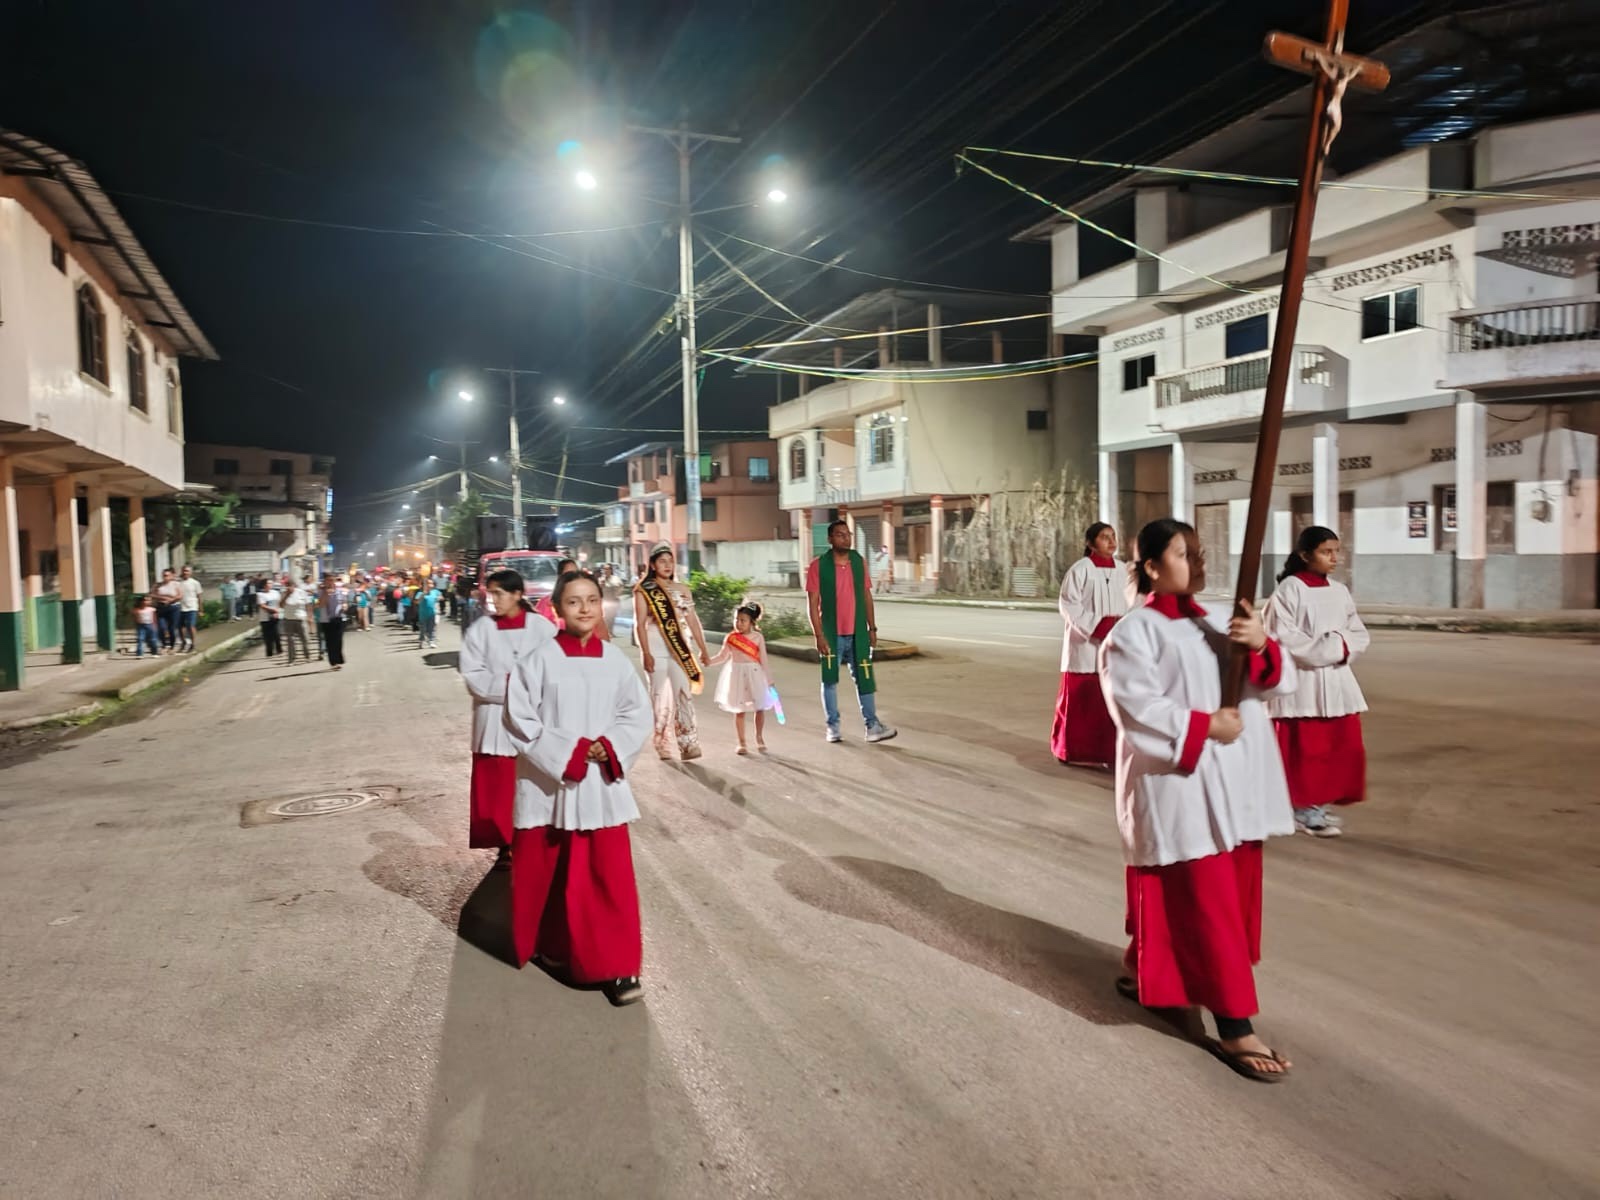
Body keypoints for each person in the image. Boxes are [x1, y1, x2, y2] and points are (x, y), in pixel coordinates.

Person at [1100, 517, 1297, 1082]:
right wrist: (1205, 725)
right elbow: (1136, 708)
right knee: (1207, 902)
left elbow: (1268, 682)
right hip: (1180, 784)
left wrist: (1260, 644)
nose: (1198, 562)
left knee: (1204, 897)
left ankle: (1150, 975)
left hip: (1234, 786)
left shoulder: (1218, 621)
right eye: (1184, 554)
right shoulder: (1132, 633)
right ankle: (1236, 1026)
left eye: (1200, 553)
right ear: (1153, 568)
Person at [504, 571, 653, 1005]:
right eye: (574, 601)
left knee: (607, 881)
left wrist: (609, 747)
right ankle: (552, 949)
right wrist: (571, 752)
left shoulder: (614, 660)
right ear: (556, 609)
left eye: (592, 600)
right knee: (551, 877)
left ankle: (617, 967)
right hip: (552, 785)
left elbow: (636, 714)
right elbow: (519, 719)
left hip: (601, 788)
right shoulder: (537, 661)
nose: (585, 608)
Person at [1263, 525, 1370, 838]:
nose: (1334, 558)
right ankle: (1300, 808)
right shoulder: (1289, 590)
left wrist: (1340, 647)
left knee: (1336, 748)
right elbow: (1283, 638)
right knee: (1305, 751)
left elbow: (1358, 631)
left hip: (1337, 681)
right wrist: (1334, 647)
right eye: (1326, 551)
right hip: (1303, 684)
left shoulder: (1339, 591)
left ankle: (1316, 805)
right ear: (1305, 554)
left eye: (1337, 551)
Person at [459, 568, 553, 868]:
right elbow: (474, 678)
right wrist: (516, 683)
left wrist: (526, 687)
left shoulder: (542, 629)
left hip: (533, 722)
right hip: (494, 723)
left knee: (531, 783)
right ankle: (504, 844)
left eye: (499, 593)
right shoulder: (480, 631)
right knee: (496, 792)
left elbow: (555, 670)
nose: (493, 600)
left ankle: (534, 838)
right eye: (490, 594)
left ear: (517, 594)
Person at [806, 519, 896, 745]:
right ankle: (833, 728)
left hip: (858, 634)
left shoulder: (858, 562)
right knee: (829, 681)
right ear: (830, 539)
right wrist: (819, 635)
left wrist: (872, 628)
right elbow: (812, 603)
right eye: (840, 534)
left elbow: (866, 596)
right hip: (831, 633)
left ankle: (872, 726)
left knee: (865, 678)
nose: (845, 538)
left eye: (848, 534)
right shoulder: (819, 566)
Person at [1051, 522, 1128, 767]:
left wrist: (1123, 627)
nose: (1111, 540)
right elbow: (1068, 604)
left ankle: (1110, 752)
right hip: (1084, 646)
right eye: (1104, 537)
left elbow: (1134, 602)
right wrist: (1097, 626)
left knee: (1111, 701)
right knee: (1082, 701)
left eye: (1113, 536)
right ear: (1090, 543)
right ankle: (1072, 750)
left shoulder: (1124, 570)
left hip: (1116, 643)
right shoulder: (1080, 569)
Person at [633, 544, 709, 761]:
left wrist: (703, 649)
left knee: (683, 693)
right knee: (659, 696)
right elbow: (640, 624)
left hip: (679, 646)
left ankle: (688, 743)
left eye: (670, 561)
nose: (667, 565)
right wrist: (646, 652)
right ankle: (661, 741)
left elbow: (693, 620)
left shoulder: (683, 589)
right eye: (662, 561)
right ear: (653, 565)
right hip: (655, 646)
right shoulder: (645, 589)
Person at [704, 601, 777, 755]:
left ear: (752, 622)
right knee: (739, 709)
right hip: (736, 674)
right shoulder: (731, 638)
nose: (739, 623)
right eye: (736, 620)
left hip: (755, 674)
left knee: (759, 707)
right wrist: (709, 661)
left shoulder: (758, 637)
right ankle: (741, 742)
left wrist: (769, 680)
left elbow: (763, 659)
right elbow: (723, 656)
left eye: (743, 620)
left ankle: (759, 737)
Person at [319, 576, 349, 670]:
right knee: (330, 641)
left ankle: (339, 658)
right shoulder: (320, 592)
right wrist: (325, 593)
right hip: (326, 620)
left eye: (332, 580)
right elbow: (320, 604)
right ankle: (333, 662)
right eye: (328, 580)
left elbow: (344, 602)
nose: (330, 582)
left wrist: (345, 606)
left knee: (339, 640)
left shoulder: (340, 591)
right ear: (325, 582)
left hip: (339, 618)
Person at [281, 577, 313, 664]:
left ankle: (307, 656)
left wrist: (310, 617)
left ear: (294, 585)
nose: (288, 587)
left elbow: (308, 605)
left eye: (289, 586)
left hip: (300, 619)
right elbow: (281, 605)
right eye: (286, 586)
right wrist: (286, 596)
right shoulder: (284, 594)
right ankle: (291, 659)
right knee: (290, 641)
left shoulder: (301, 592)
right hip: (288, 620)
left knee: (304, 639)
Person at [153, 568, 182, 654]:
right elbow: (152, 594)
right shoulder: (158, 585)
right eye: (164, 575)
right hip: (161, 608)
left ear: (171, 576)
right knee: (161, 627)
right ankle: (164, 645)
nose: (165, 577)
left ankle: (172, 646)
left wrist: (171, 600)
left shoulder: (176, 584)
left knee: (172, 628)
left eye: (167, 575)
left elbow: (180, 596)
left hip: (173, 607)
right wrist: (162, 598)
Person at [176, 565, 203, 652]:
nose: (185, 572)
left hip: (192, 607)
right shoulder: (178, 583)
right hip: (181, 607)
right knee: (180, 627)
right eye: (184, 570)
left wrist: (201, 610)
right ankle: (183, 642)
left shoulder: (195, 583)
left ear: (191, 572)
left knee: (190, 625)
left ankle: (193, 643)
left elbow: (199, 596)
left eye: (187, 571)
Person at [257, 578, 283, 657]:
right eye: (269, 583)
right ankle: (269, 652)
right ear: (264, 585)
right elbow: (262, 605)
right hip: (265, 619)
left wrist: (277, 611)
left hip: (275, 617)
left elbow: (279, 603)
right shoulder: (260, 594)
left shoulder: (275, 593)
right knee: (268, 637)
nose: (270, 584)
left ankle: (279, 650)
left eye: (271, 583)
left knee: (277, 634)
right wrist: (273, 610)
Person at [416, 579, 441, 648]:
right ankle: (421, 641)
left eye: (431, 584)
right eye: (428, 584)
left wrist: (439, 598)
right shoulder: (420, 593)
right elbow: (417, 602)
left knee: (431, 628)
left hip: (432, 614)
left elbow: (439, 598)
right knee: (423, 629)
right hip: (423, 614)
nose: (430, 585)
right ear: (424, 585)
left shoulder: (434, 592)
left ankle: (431, 641)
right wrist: (423, 594)